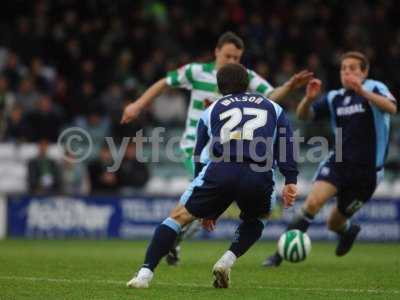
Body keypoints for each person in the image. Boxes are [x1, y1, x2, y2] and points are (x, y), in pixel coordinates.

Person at [121, 31, 312, 265]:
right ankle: (175, 241)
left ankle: (174, 240)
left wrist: (290, 85)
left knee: (206, 203)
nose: (232, 62)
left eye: (237, 58)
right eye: (228, 56)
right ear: (217, 52)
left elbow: (271, 96)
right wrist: (138, 105)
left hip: (229, 150)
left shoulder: (245, 76)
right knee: (202, 204)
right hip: (198, 147)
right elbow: (164, 83)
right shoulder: (195, 71)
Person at [262, 51, 397, 267]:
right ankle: (277, 256)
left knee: (334, 222)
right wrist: (309, 99)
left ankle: (347, 230)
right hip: (339, 163)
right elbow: (304, 115)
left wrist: (362, 91)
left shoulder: (374, 88)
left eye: (353, 68)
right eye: (344, 69)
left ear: (364, 72)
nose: (347, 73)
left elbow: (391, 107)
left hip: (367, 173)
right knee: (312, 203)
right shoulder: (335, 98)